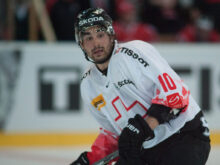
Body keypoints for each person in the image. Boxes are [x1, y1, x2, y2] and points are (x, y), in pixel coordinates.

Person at [70, 8, 211, 165]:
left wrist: (144, 126)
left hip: (183, 135)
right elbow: (113, 133)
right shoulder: (88, 84)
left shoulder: (134, 52)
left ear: (110, 35)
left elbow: (176, 94)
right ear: (81, 43)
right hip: (146, 149)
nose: (96, 43)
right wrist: (91, 159)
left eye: (100, 35)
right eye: (88, 38)